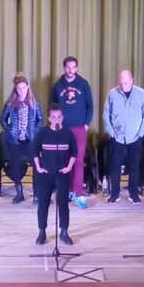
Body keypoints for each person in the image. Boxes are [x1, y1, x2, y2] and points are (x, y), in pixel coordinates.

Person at [51, 56, 94, 208]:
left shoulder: (83, 84)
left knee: (78, 160)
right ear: (64, 68)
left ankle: (78, 193)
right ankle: (67, 191)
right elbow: (53, 108)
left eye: (73, 67)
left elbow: (90, 106)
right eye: (68, 67)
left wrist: (86, 124)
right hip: (63, 129)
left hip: (79, 128)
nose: (70, 70)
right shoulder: (57, 86)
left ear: (77, 68)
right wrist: (56, 125)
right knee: (65, 161)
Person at [103, 70, 144, 204]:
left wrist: (140, 134)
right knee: (115, 167)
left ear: (132, 81)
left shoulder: (141, 94)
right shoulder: (112, 94)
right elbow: (106, 115)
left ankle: (133, 194)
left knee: (134, 166)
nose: (123, 85)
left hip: (135, 137)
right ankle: (114, 194)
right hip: (117, 137)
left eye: (126, 82)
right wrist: (111, 132)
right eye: (121, 82)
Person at [32, 104, 77, 245]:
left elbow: (74, 153)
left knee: (63, 203)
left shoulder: (68, 133)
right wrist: (39, 167)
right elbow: (34, 151)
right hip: (45, 174)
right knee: (43, 203)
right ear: (49, 118)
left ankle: (64, 232)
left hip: (62, 174)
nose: (56, 119)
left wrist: (69, 167)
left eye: (59, 117)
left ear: (62, 118)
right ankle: (42, 232)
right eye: (53, 117)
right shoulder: (42, 133)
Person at [0, 73, 42, 204]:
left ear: (28, 87)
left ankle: (36, 194)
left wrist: (35, 131)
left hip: (30, 140)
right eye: (19, 88)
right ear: (16, 89)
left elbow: (40, 119)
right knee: (15, 165)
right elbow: (2, 119)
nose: (22, 90)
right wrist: (9, 130)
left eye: (24, 87)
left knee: (36, 165)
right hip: (15, 141)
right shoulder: (11, 104)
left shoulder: (33, 103)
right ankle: (19, 192)